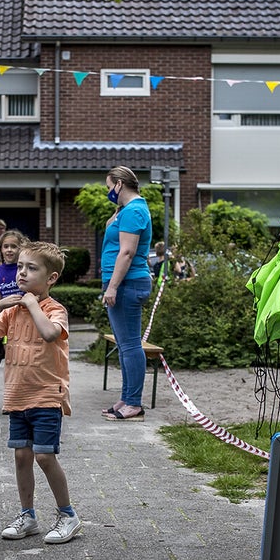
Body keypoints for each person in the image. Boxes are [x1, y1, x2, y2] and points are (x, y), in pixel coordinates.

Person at [0, 241, 82, 544]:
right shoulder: (10, 313)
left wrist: (31, 303)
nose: (21, 272)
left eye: (31, 268)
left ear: (51, 278)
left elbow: (50, 334)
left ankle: (68, 514)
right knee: (22, 457)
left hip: (47, 395)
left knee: (45, 457)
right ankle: (28, 515)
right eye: (20, 266)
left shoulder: (54, 309)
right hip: (17, 395)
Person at [100, 165, 153, 422]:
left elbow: (127, 252)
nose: (108, 192)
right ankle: (127, 397)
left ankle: (134, 404)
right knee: (124, 345)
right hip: (124, 283)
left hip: (127, 284)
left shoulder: (134, 210)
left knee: (131, 345)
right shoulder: (127, 210)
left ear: (120, 185)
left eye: (110, 187)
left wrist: (112, 287)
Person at [0, 229, 25, 299]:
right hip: (6, 309)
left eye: (13, 246)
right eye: (6, 246)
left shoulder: (25, 269)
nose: (9, 250)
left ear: (21, 248)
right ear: (1, 249)